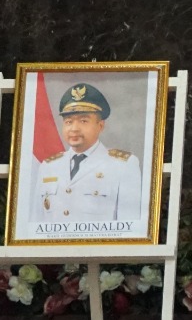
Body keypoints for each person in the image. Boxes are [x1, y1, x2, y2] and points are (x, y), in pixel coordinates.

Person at [33, 82, 143, 226]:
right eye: (68, 122)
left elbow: (130, 227)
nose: (74, 128)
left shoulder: (123, 165)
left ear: (100, 126)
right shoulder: (48, 166)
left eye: (83, 121)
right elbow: (36, 225)